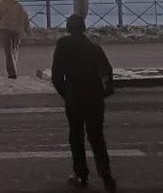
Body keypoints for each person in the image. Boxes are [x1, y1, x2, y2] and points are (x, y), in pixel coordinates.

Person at [51, 14, 116, 192]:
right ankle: (105, 171)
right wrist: (104, 93)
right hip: (94, 97)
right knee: (96, 136)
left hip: (75, 97)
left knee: (76, 136)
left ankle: (81, 173)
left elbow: (56, 76)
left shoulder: (63, 47)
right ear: (84, 28)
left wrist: (67, 93)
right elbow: (107, 72)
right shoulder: (93, 47)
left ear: (68, 28)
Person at [0, 0, 30, 79]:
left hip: (4, 30)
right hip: (17, 31)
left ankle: (12, 72)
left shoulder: (1, 4)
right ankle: (13, 68)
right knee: (14, 49)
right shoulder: (19, 6)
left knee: (8, 52)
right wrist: (28, 31)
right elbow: (25, 19)